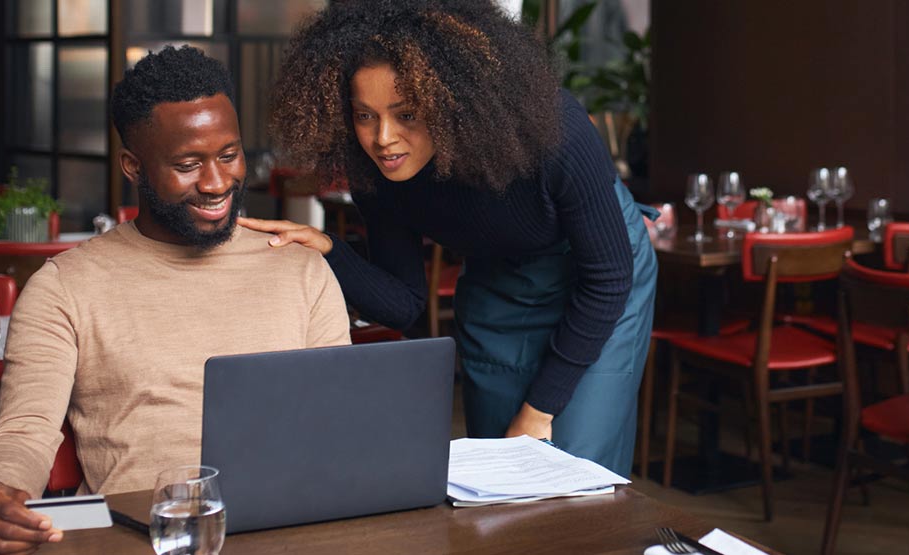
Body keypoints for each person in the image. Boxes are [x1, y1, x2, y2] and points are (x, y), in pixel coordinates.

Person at [0, 46, 352, 554]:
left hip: (293, 533)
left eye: (228, 156)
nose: (215, 183)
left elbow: (339, 422)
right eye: (188, 164)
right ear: (133, 167)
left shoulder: (301, 269)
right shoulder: (65, 286)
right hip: (139, 540)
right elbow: (26, 428)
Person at [240, 0, 657, 477]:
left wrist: (538, 412)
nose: (383, 138)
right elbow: (403, 303)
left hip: (598, 277)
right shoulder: (376, 173)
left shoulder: (553, 132)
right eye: (364, 116)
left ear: (451, 100)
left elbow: (607, 279)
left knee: (572, 463)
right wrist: (329, 251)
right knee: (497, 469)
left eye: (407, 114)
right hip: (498, 275)